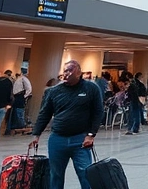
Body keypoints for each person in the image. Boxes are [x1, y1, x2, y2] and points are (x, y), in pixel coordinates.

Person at [29, 60, 103, 189]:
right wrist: (36, 134)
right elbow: (44, 113)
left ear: (79, 72)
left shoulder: (91, 88)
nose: (66, 74)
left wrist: (91, 135)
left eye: (70, 70)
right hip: (58, 139)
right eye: (65, 71)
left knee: (86, 174)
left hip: (80, 140)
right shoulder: (54, 91)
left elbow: (98, 112)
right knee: (55, 175)